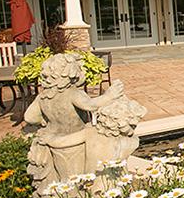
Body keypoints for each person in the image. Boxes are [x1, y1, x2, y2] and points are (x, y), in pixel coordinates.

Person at [24, 52, 126, 189]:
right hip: (75, 142)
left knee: (61, 177)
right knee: (76, 177)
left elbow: (29, 117)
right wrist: (109, 95)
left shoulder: (43, 97)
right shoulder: (72, 94)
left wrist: (47, 120)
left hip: (52, 140)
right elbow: (91, 105)